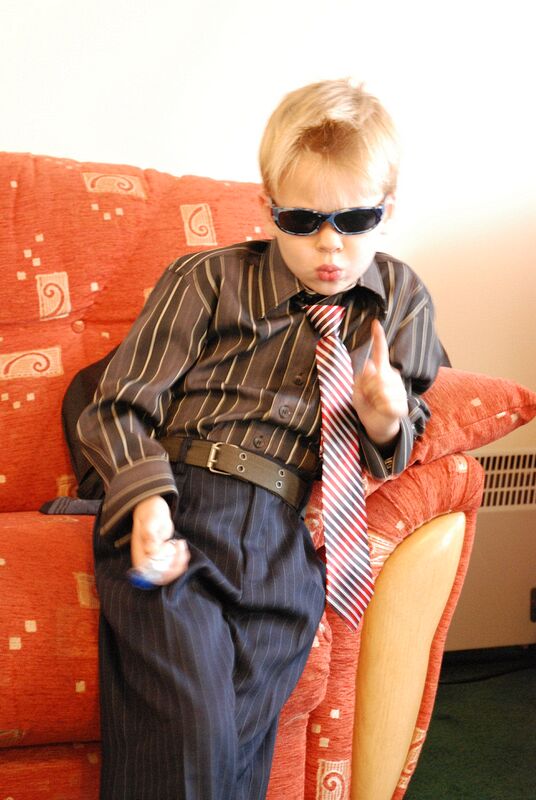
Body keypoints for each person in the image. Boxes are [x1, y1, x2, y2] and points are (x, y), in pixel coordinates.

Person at [77, 78, 444, 800]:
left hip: (284, 545)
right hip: (181, 506)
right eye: (302, 220)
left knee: (234, 758)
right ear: (268, 205)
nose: (329, 244)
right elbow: (116, 405)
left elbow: (408, 434)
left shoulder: (402, 299)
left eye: (355, 218)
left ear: (388, 209)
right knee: (192, 733)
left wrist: (385, 417)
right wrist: (146, 500)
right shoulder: (206, 279)